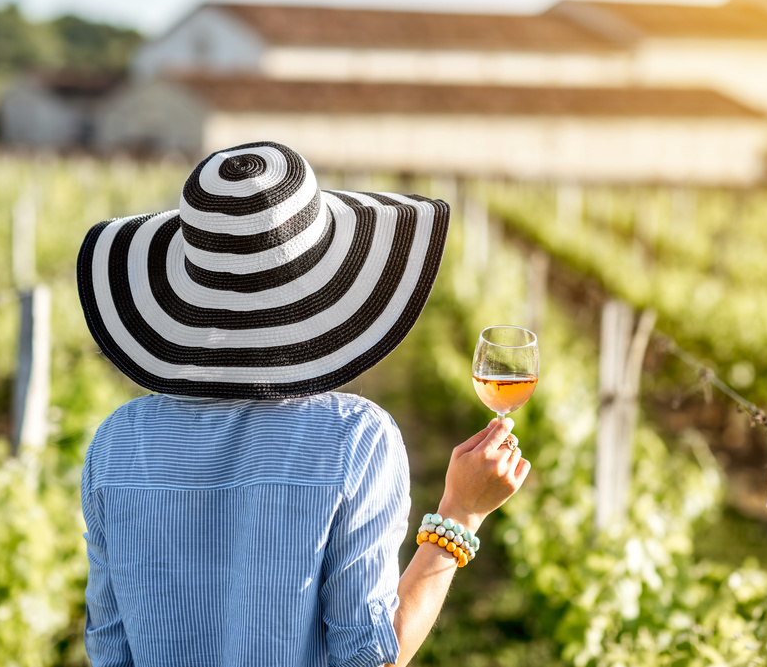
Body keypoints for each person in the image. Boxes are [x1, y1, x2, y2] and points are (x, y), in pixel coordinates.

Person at [78, 141, 531, 666]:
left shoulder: (118, 441)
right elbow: (369, 659)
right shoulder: (355, 438)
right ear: (326, 287)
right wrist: (460, 515)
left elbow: (109, 651)